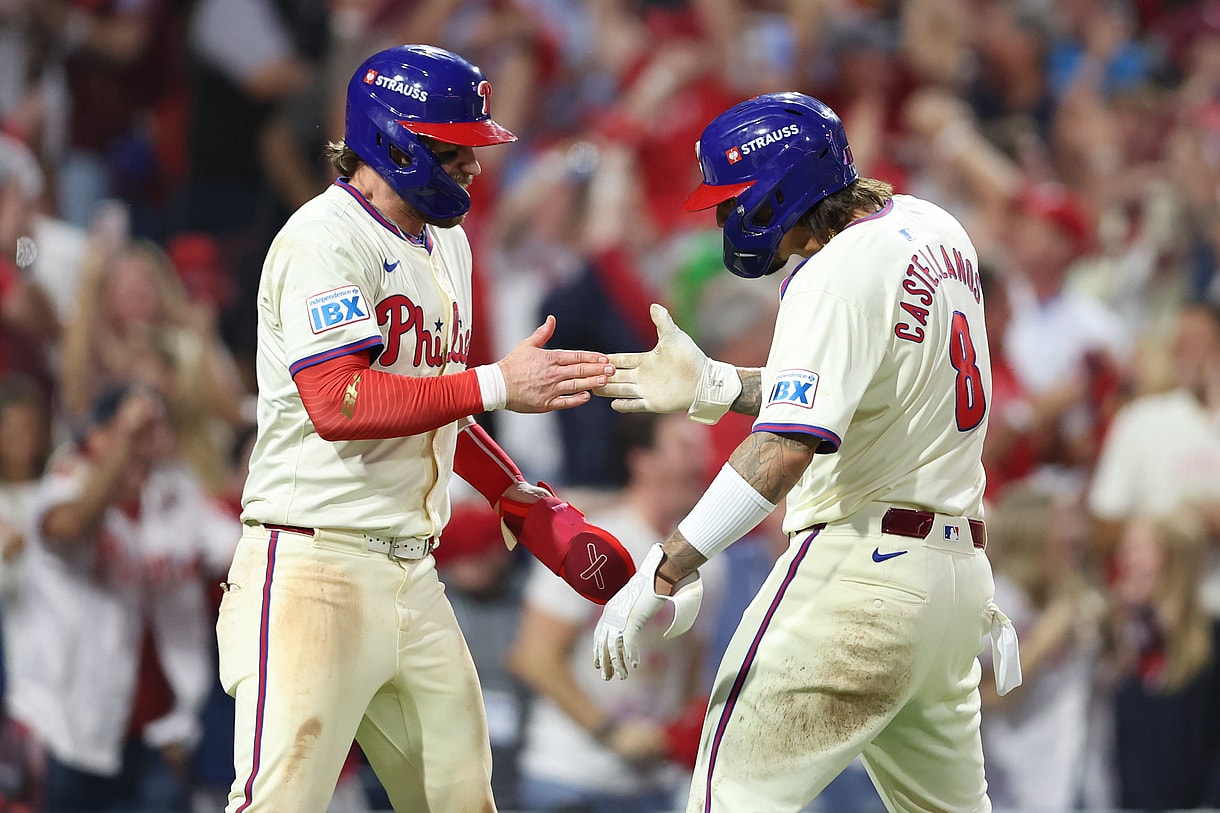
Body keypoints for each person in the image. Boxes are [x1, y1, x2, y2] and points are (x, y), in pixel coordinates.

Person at [216, 44, 628, 813]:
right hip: (314, 565)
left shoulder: (448, 241)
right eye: (455, 148)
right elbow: (339, 401)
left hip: (412, 569)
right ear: (394, 139)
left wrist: (517, 496)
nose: (473, 168)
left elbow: (432, 400)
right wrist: (500, 381)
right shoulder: (323, 238)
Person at [590, 92, 1021, 812]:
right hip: (955, 581)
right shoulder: (934, 226)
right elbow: (856, 389)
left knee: (724, 800)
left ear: (780, 186)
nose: (726, 219)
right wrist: (719, 383)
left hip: (859, 575)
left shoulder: (832, 273)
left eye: (733, 200)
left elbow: (789, 447)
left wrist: (668, 564)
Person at [6, 384, 228, 812]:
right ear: (97, 437)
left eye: (152, 432)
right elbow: (70, 526)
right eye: (133, 432)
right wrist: (124, 439)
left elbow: (234, 549)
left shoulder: (175, 497)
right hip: (67, 733)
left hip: (156, 736)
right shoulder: (63, 487)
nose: (145, 445)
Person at [508, 411, 720, 813]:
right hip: (570, 778)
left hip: (652, 786)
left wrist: (681, 740)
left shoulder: (710, 561)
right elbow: (533, 657)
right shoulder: (593, 544)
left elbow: (691, 667)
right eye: (685, 448)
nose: (702, 463)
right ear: (642, 460)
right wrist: (611, 734)